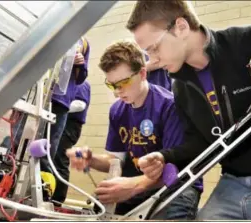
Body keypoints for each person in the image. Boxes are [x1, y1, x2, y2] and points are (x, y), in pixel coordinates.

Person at [125, 0, 251, 221]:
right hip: (232, 184)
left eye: (153, 48)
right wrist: (164, 157)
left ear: (181, 27)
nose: (152, 60)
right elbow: (201, 143)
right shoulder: (180, 86)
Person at [66, 40, 201, 219]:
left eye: (124, 82)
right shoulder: (117, 111)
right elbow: (116, 160)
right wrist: (91, 159)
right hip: (135, 183)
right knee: (92, 212)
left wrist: (133, 186)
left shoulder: (170, 106)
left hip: (175, 184)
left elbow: (176, 168)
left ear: (143, 73)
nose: (118, 91)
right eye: (112, 85)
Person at [40, 37, 90, 174]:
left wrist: (81, 64)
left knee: (50, 150)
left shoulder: (83, 43)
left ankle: (43, 187)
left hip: (61, 101)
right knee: (21, 140)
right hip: (38, 93)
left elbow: (81, 78)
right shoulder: (52, 31)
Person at [51, 80, 91, 204]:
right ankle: (51, 194)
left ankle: (57, 200)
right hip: (60, 122)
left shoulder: (81, 83)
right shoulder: (66, 83)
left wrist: (57, 108)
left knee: (59, 159)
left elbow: (80, 104)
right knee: (53, 158)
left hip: (70, 125)